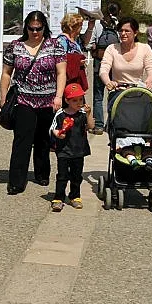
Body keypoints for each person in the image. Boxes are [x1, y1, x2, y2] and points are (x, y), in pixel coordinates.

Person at [0, 10, 67, 195]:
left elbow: (61, 72)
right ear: (26, 28)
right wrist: (3, 96)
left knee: (43, 140)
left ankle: (42, 173)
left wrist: (59, 96)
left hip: (48, 100)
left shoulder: (55, 46)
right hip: (24, 99)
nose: (35, 32)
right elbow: (6, 73)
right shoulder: (15, 46)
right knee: (22, 139)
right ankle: (16, 181)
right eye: (31, 28)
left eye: (38, 28)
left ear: (44, 27)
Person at [98, 17, 152, 121]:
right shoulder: (112, 48)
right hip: (118, 91)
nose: (123, 33)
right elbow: (104, 69)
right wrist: (108, 82)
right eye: (121, 31)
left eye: (127, 31)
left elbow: (151, 70)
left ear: (135, 33)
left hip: (137, 90)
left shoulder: (145, 48)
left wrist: (149, 81)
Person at [49, 83, 95, 212]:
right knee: (62, 175)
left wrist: (89, 114)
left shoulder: (82, 114)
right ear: (67, 100)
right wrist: (58, 134)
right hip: (64, 150)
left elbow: (91, 126)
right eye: (74, 100)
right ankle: (58, 197)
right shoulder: (60, 114)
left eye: (80, 99)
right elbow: (53, 129)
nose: (78, 102)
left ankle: (75, 196)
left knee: (77, 175)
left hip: (78, 150)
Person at [87, 2, 120, 134]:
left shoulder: (98, 25)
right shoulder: (121, 26)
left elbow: (89, 45)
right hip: (116, 63)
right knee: (114, 94)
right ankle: (111, 124)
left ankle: (99, 125)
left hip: (99, 63)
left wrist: (95, 46)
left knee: (98, 96)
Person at [58, 13, 89, 90]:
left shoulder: (75, 40)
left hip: (75, 79)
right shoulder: (63, 40)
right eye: (80, 26)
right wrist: (77, 62)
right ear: (72, 27)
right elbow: (61, 59)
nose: (81, 28)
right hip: (67, 80)